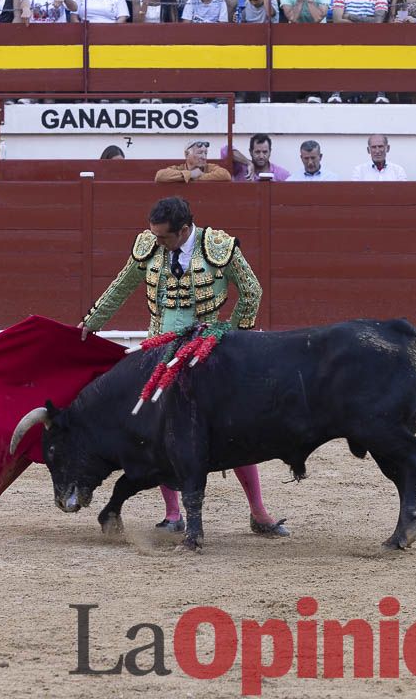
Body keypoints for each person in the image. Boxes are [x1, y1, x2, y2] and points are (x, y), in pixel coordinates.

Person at [77, 196, 287, 539]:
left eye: (163, 237)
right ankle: (172, 514)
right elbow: (122, 285)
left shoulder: (218, 246)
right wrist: (92, 321)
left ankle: (259, 513)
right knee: (161, 431)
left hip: (204, 350)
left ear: (184, 230)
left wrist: (229, 333)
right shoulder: (149, 245)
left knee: (231, 429)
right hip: (159, 348)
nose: (156, 242)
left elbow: (252, 291)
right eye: (155, 235)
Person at [155, 140, 232, 182]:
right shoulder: (178, 168)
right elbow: (160, 175)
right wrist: (191, 174)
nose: (204, 157)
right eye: (199, 153)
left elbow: (225, 174)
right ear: (187, 154)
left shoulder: (209, 167)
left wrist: (197, 177)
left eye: (206, 153)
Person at [226, 134, 291, 181]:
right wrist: (249, 163)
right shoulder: (241, 168)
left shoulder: (281, 174)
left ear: (270, 152)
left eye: (265, 152)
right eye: (257, 152)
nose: (261, 156)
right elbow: (225, 150)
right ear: (250, 152)